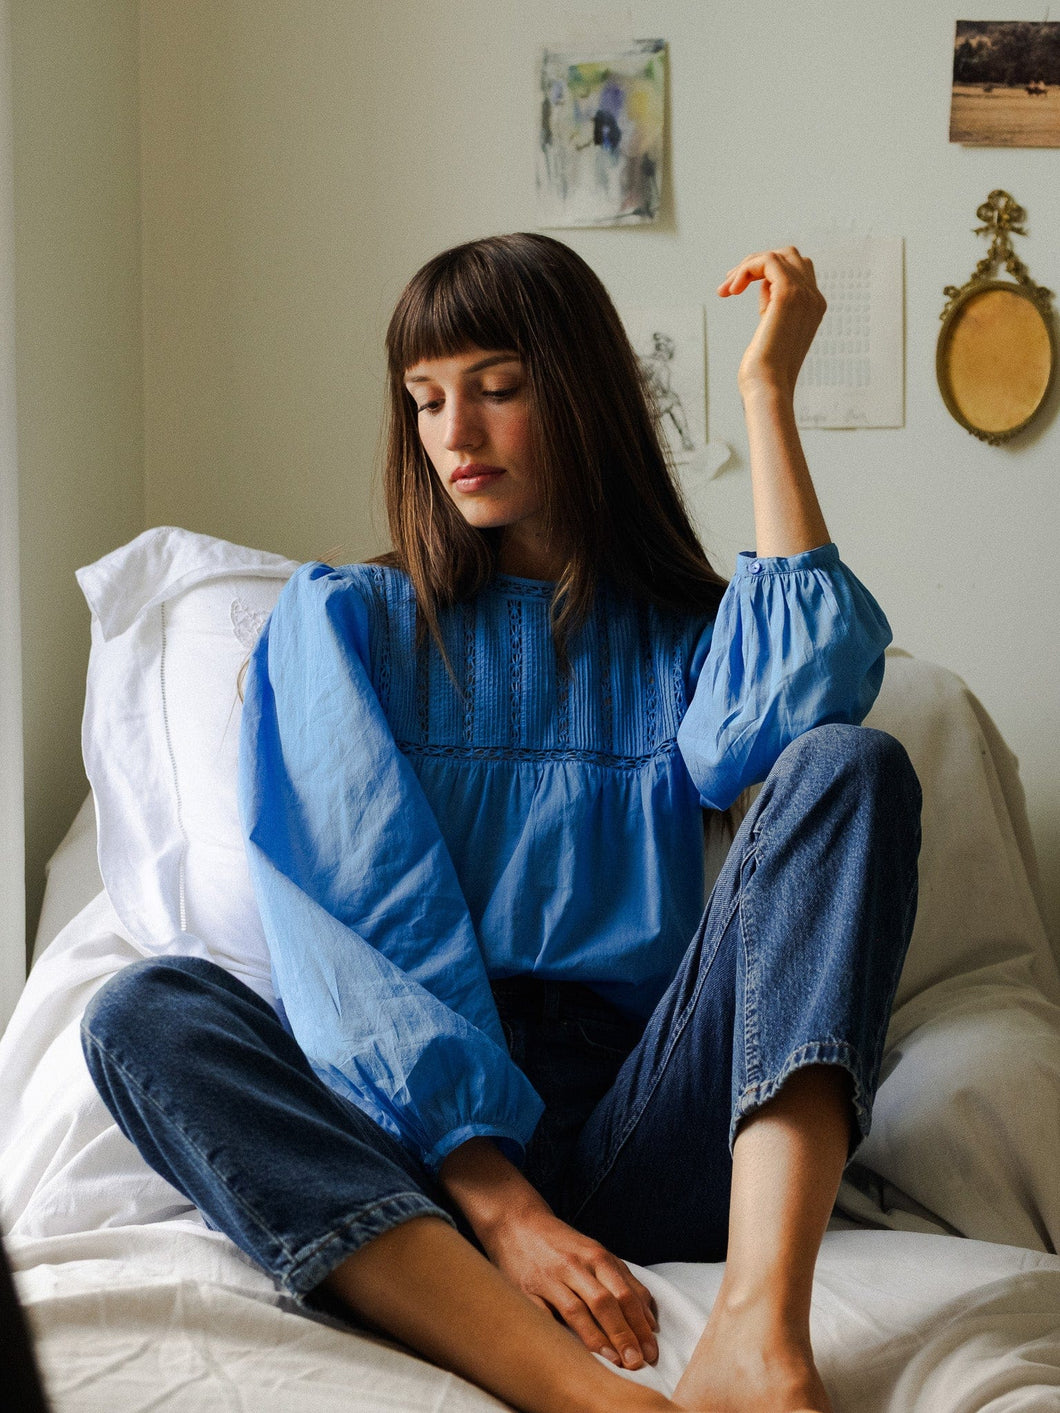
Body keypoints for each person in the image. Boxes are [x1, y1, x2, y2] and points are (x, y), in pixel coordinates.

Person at [82, 233, 921, 1413]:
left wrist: (765, 392)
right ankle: (585, 1399)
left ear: (577, 395)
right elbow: (363, 912)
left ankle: (756, 1334)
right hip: (414, 1157)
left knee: (850, 765)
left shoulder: (685, 640)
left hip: (639, 1120)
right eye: (425, 401)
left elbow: (810, 698)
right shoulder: (346, 621)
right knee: (145, 1011)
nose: (454, 437)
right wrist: (502, 1204)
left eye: (496, 388)